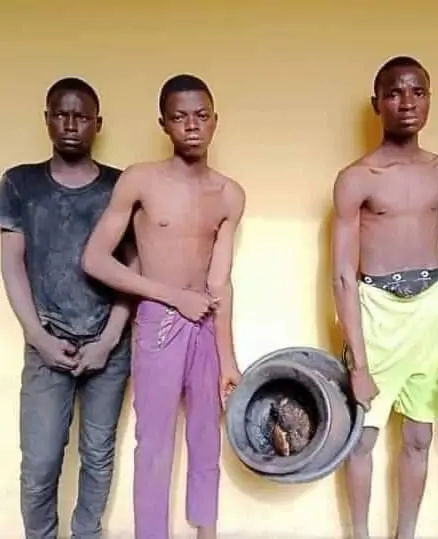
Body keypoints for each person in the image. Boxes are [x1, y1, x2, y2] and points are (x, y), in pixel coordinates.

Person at [81, 74, 245, 539]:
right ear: (164, 124)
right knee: (153, 443)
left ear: (215, 120)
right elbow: (95, 259)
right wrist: (174, 297)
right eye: (179, 117)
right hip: (158, 321)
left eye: (201, 116)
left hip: (205, 323)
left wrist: (228, 358)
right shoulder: (141, 180)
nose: (192, 126)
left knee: (206, 437)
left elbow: (221, 281)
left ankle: (206, 533)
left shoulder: (229, 194)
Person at [331, 56, 438, 539]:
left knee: (419, 436)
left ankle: (406, 535)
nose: (407, 102)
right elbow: (342, 275)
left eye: (417, 92)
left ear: (430, 98)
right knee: (361, 439)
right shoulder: (357, 177)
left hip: (430, 313)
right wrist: (357, 363)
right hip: (376, 313)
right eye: (394, 93)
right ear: (377, 103)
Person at [0, 77, 134, 539]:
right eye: (61, 114)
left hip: (108, 347)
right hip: (46, 344)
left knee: (97, 455)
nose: (71, 124)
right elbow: (11, 265)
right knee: (39, 462)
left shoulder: (119, 186)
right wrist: (37, 337)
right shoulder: (19, 183)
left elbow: (132, 268)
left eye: (81, 116)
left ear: (98, 123)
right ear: (47, 120)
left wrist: (109, 340)